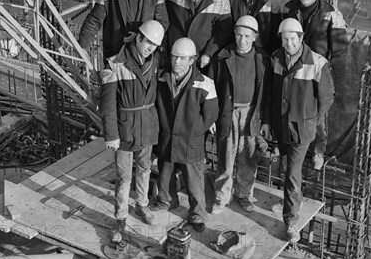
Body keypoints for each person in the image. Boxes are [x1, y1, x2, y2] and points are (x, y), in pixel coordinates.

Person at [261, 18, 334, 244]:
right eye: (285, 39)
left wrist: (313, 122)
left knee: (293, 173)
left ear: (301, 38)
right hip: (281, 125)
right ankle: (290, 200)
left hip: (302, 128)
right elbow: (269, 94)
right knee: (285, 166)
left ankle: (291, 221)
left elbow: (326, 99)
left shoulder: (317, 63)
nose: (289, 44)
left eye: (292, 39)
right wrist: (265, 121)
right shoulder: (275, 58)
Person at [98, 20, 165, 243]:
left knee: (145, 169)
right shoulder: (115, 64)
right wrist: (111, 135)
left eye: (155, 45)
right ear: (138, 38)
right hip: (125, 129)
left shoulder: (155, 61)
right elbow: (107, 103)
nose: (150, 48)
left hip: (147, 126)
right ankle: (121, 218)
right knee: (124, 176)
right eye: (148, 42)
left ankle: (142, 205)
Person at [276, 0, 348, 170]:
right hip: (291, 67)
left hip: (316, 70)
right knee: (288, 108)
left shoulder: (330, 13)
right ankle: (287, 150)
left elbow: (340, 47)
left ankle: (317, 151)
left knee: (317, 113)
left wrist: (325, 63)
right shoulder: (288, 9)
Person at [151, 37, 219, 232]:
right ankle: (165, 201)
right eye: (174, 57)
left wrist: (194, 130)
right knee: (165, 172)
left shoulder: (205, 84)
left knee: (194, 179)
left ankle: (197, 215)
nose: (177, 62)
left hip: (191, 139)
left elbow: (210, 115)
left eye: (182, 58)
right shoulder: (161, 79)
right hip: (167, 136)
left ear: (192, 60)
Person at [209, 15, 271, 214]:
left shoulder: (262, 59)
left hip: (252, 113)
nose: (242, 40)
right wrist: (211, 115)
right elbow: (209, 88)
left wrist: (265, 121)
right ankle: (221, 196)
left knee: (248, 156)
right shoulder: (223, 56)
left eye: (247, 36)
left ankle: (244, 194)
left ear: (254, 37)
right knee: (226, 155)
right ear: (234, 34)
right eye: (239, 35)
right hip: (228, 113)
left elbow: (268, 94)